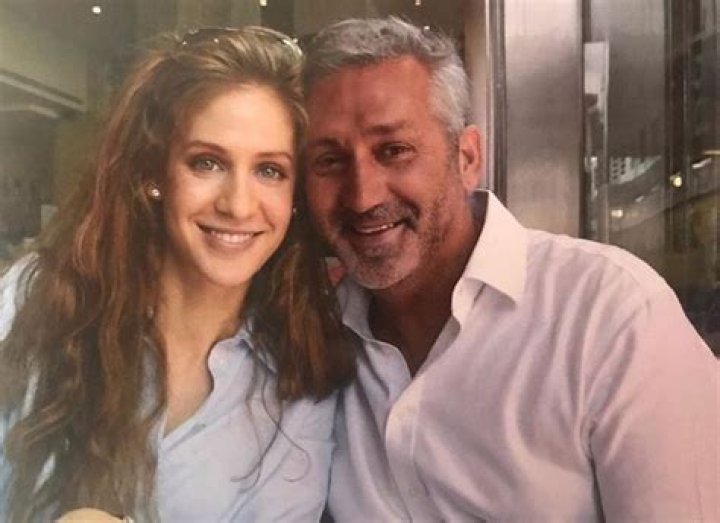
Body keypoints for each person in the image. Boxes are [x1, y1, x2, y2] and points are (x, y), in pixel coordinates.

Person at [303, 17, 718, 521]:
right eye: (329, 161)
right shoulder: (310, 336)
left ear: (467, 157)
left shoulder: (610, 316)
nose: (362, 196)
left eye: (394, 151)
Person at [0, 26, 354, 521]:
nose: (238, 205)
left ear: (294, 195)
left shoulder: (301, 375)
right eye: (207, 163)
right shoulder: (33, 299)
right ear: (154, 173)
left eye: (269, 170)